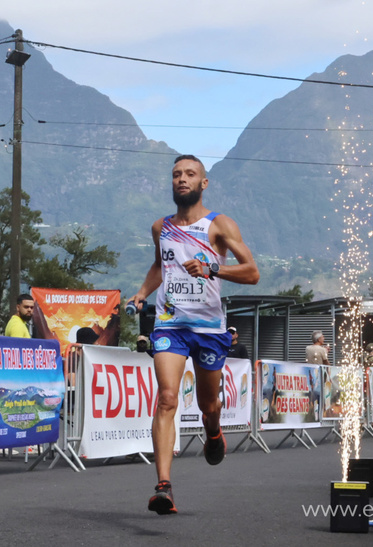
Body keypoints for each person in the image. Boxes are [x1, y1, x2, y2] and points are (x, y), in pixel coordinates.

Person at [127, 154, 259, 515]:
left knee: (208, 405)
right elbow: (161, 266)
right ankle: (164, 487)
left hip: (209, 329)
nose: (181, 179)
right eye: (176, 174)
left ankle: (213, 430)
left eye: (189, 174)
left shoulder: (219, 225)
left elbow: (252, 272)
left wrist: (211, 268)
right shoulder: (161, 227)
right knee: (167, 398)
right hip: (170, 324)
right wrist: (142, 292)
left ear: (203, 183)